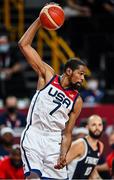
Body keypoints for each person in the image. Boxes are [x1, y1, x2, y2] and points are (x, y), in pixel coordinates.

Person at [18, 4, 87, 179]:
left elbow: (68, 132)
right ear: (69, 71)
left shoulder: (77, 99)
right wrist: (40, 20)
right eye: (80, 74)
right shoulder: (48, 76)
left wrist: (64, 154)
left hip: (54, 142)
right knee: (33, 177)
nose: (82, 79)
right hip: (35, 135)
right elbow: (24, 45)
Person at [66, 114, 104, 179]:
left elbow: (92, 169)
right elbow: (61, 164)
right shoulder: (80, 144)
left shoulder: (100, 146)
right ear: (87, 127)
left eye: (99, 125)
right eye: (93, 125)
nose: (97, 128)